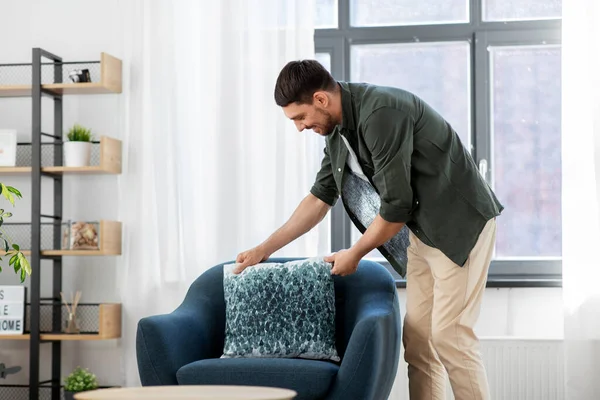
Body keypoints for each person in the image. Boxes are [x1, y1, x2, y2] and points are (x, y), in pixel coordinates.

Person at [234, 59, 503, 400]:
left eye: (300, 117)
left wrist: (355, 254)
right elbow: (319, 200)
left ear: (320, 100)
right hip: (422, 234)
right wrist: (264, 249)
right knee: (419, 341)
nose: (300, 127)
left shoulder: (381, 112)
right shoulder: (335, 133)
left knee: (449, 336)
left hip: (459, 225)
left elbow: (396, 208)